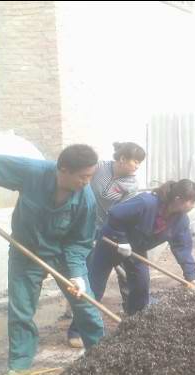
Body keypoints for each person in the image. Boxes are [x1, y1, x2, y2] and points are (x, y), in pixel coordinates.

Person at [0, 145, 105, 375]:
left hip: (65, 255)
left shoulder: (86, 199)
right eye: (83, 176)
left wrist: (76, 274)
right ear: (62, 169)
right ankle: (20, 363)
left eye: (91, 176)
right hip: (27, 252)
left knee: (84, 302)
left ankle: (101, 352)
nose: (87, 182)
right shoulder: (32, 172)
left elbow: (81, 240)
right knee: (21, 308)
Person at [66, 141, 146, 348]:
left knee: (107, 277)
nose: (137, 166)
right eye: (135, 161)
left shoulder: (131, 184)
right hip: (79, 222)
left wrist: (111, 235)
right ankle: (76, 325)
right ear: (121, 159)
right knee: (84, 274)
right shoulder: (99, 167)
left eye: (139, 162)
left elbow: (121, 212)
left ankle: (132, 319)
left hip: (106, 231)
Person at [88, 179, 195, 315]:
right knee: (95, 286)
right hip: (110, 243)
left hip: (136, 249)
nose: (194, 206)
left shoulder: (180, 221)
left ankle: (135, 320)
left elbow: (183, 248)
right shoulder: (146, 203)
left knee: (141, 285)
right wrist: (121, 239)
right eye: (192, 201)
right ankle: (77, 331)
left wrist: (191, 276)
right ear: (178, 199)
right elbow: (115, 214)